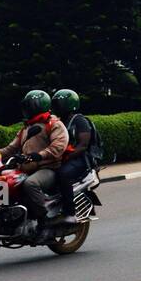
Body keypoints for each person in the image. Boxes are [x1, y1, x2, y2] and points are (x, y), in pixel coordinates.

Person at [0, 89, 69, 242]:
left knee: (30, 184)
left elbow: (59, 146)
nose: (26, 110)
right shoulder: (27, 127)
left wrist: (40, 155)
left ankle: (45, 222)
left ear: (38, 106)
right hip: (26, 167)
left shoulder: (54, 124)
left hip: (48, 168)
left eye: (29, 106)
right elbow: (11, 148)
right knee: (3, 181)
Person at [50, 88, 100, 224]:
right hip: (62, 157)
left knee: (63, 174)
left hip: (79, 159)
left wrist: (65, 157)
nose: (56, 108)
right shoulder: (58, 122)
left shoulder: (79, 121)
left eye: (59, 104)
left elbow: (83, 145)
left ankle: (70, 212)